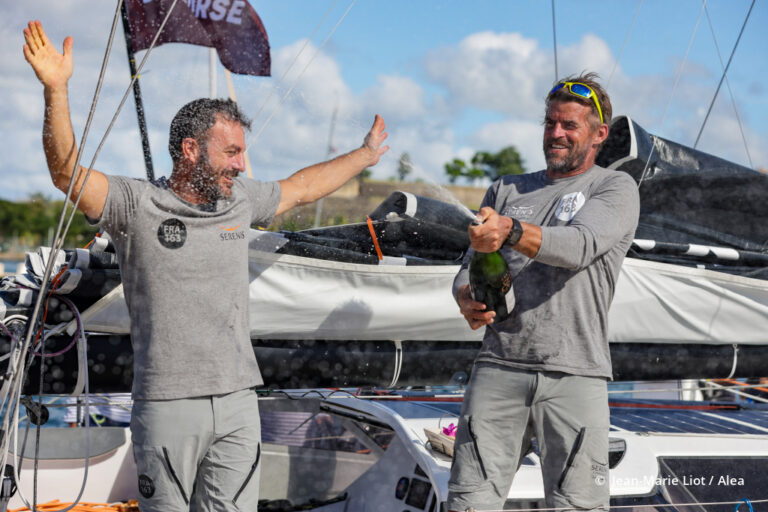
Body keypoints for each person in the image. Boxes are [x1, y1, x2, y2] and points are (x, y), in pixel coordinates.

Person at [23, 20, 388, 512]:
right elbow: (67, 173)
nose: (240, 165)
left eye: (242, 153)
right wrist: (56, 89)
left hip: (239, 401)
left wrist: (364, 155)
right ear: (191, 150)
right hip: (167, 402)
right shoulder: (136, 203)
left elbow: (301, 188)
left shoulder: (239, 199)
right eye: (231, 152)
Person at [449, 73, 639, 512]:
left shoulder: (614, 187)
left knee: (577, 505)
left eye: (570, 125)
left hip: (575, 372)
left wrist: (511, 230)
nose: (556, 133)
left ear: (599, 134)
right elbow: (468, 264)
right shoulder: (506, 188)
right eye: (550, 122)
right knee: (468, 502)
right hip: (498, 367)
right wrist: (464, 295)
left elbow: (580, 246)